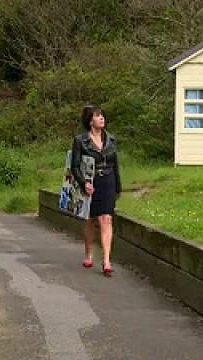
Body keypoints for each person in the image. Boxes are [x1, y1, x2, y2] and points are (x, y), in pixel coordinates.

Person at [70, 105, 122, 277]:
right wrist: (84, 182)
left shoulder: (111, 140)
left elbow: (115, 165)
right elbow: (75, 166)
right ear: (90, 120)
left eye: (103, 116)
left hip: (108, 181)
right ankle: (88, 253)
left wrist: (118, 186)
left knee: (106, 219)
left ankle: (106, 260)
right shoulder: (80, 140)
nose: (102, 118)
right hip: (91, 182)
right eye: (98, 116)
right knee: (91, 220)